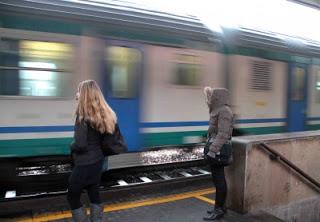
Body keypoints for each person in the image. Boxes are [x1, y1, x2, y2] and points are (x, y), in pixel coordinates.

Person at [68, 80, 117, 222]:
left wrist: (72, 146)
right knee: (94, 194)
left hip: (84, 163)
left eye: (78, 91)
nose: (76, 93)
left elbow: (81, 144)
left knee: (72, 195)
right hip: (98, 162)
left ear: (84, 94)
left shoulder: (82, 116)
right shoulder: (103, 114)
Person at [203, 87, 234, 221]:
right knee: (218, 180)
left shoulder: (224, 111)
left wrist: (212, 150)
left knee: (219, 181)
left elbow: (223, 134)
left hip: (219, 152)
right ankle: (220, 207)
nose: (210, 100)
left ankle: (219, 209)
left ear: (218, 98)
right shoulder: (219, 110)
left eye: (212, 97)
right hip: (217, 150)